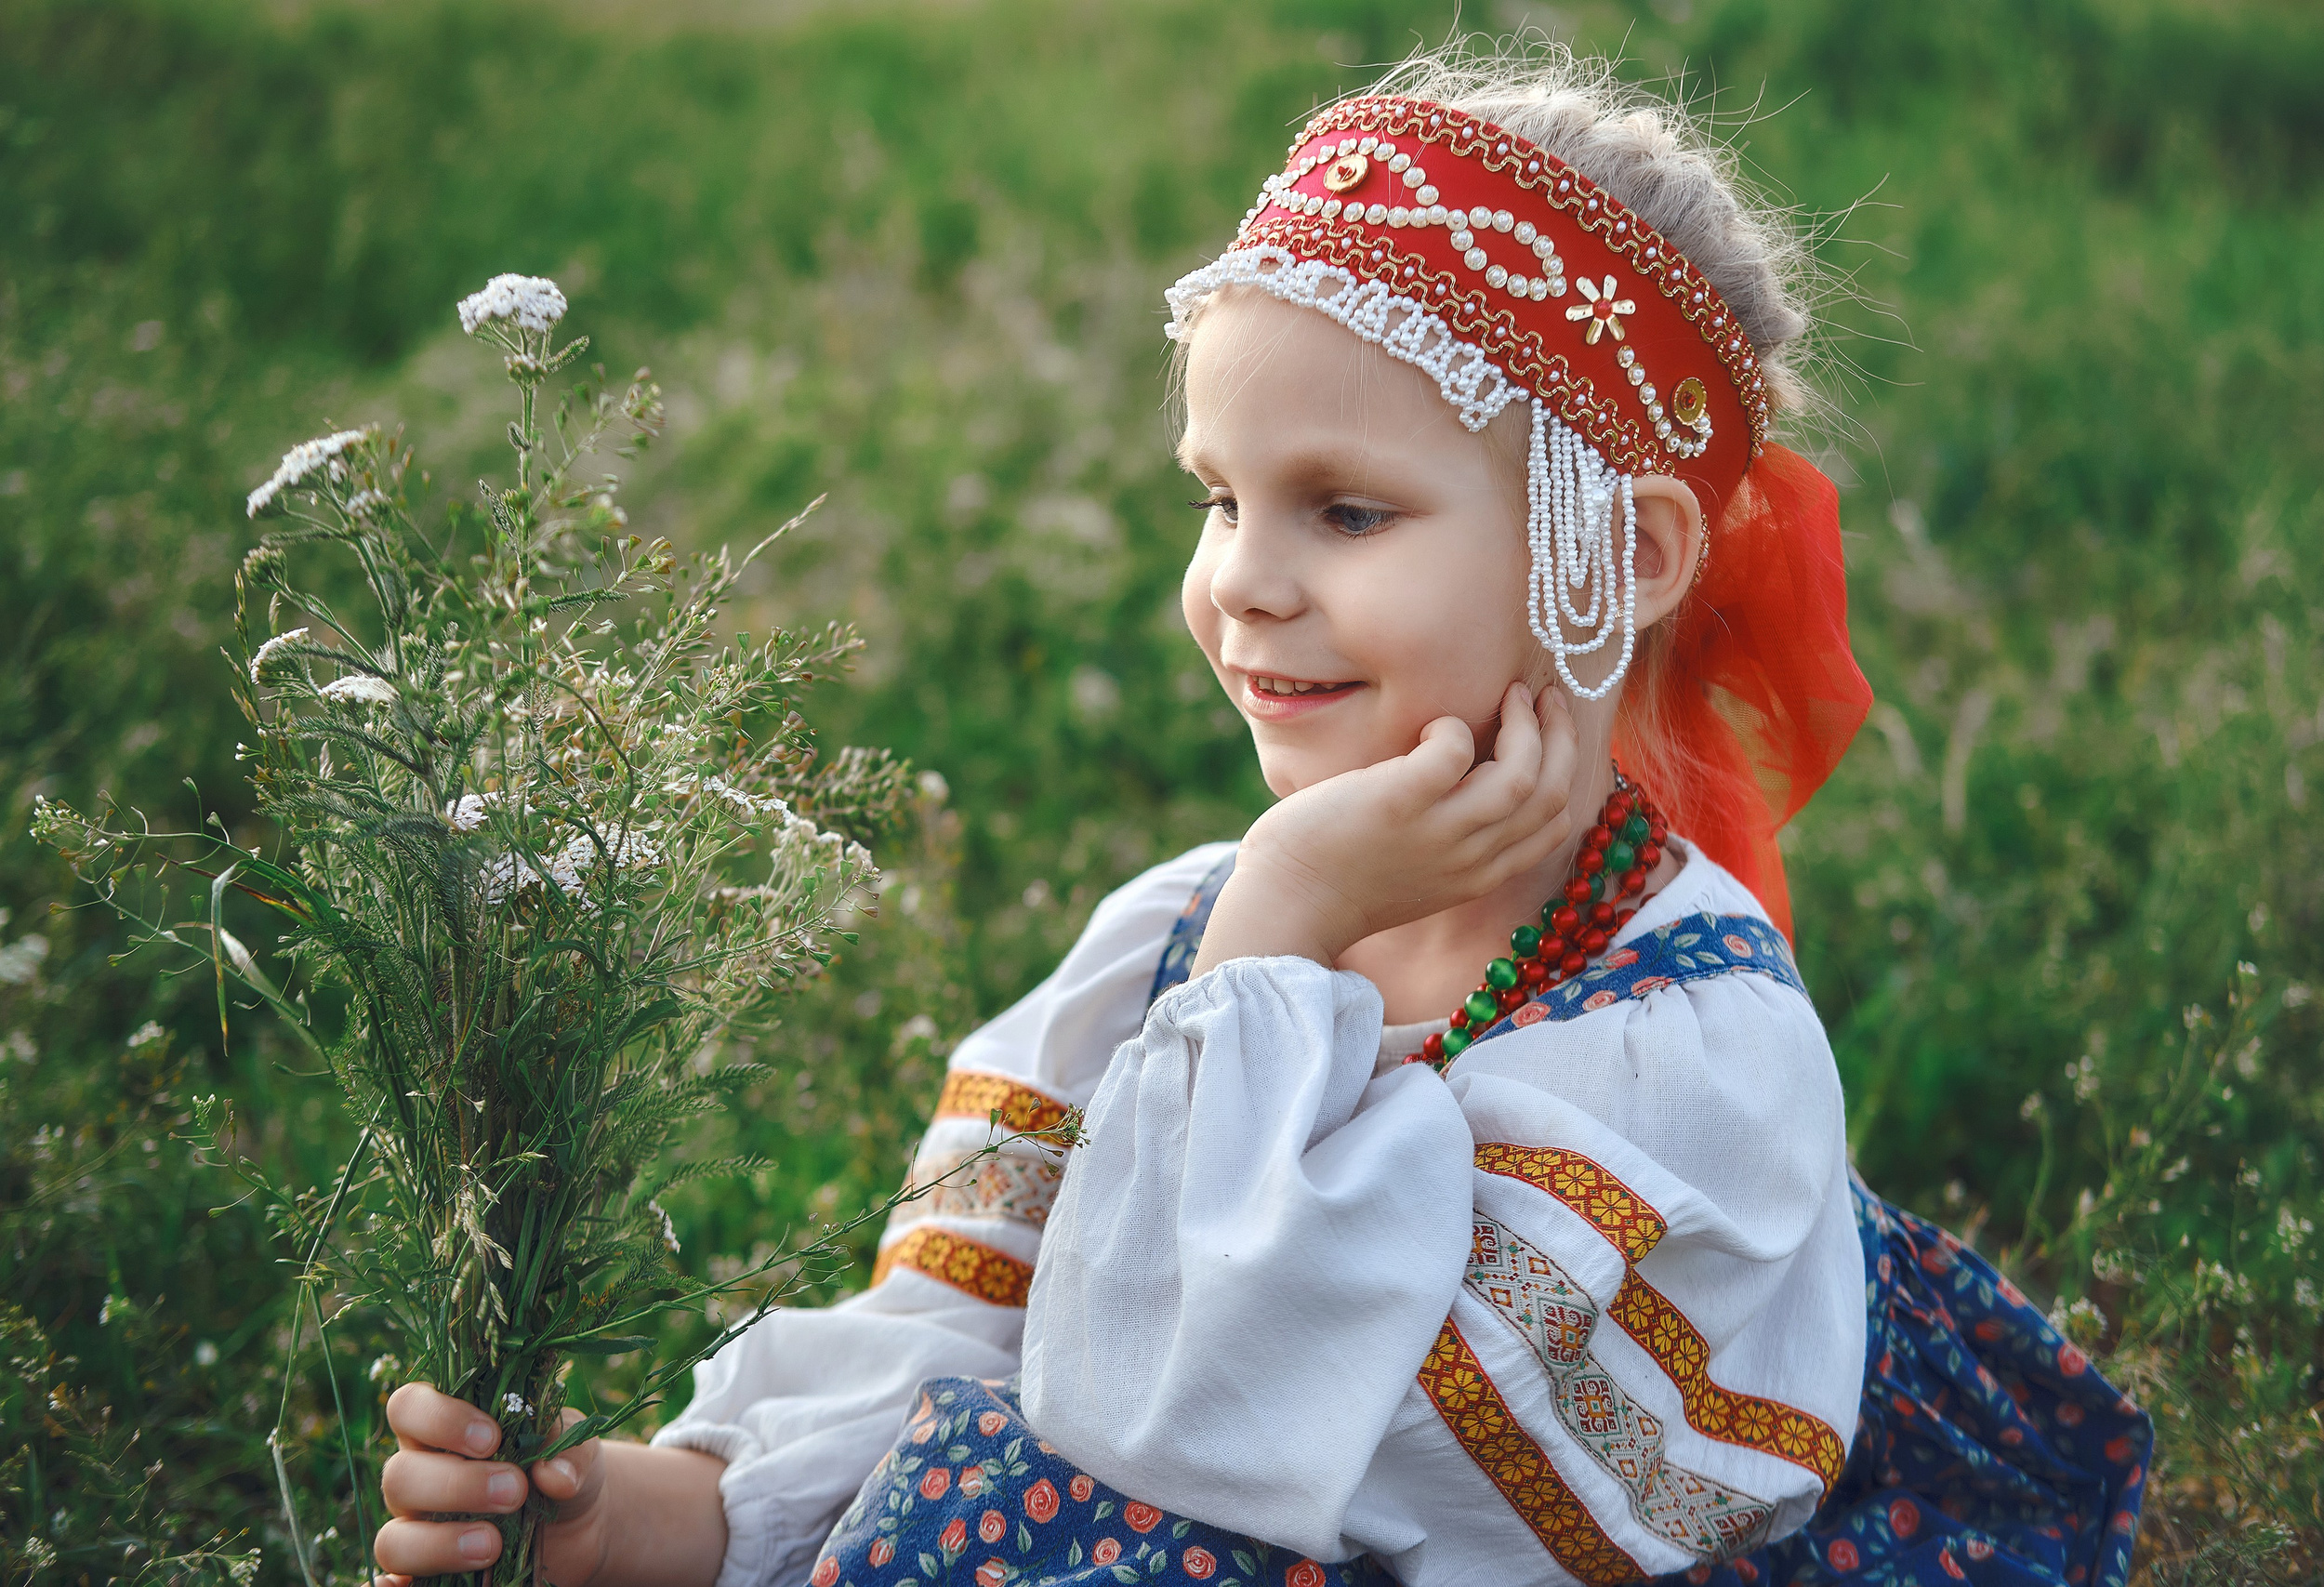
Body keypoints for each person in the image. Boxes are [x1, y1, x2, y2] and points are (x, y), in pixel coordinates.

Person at [373, 45, 2151, 1587]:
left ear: (1627, 552)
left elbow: (1174, 1435)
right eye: (1221, 500)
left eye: (1346, 513)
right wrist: (657, 1520)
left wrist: (1285, 931)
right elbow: (968, 1361)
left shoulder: (1687, 1057)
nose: (1243, 587)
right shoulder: (1177, 930)